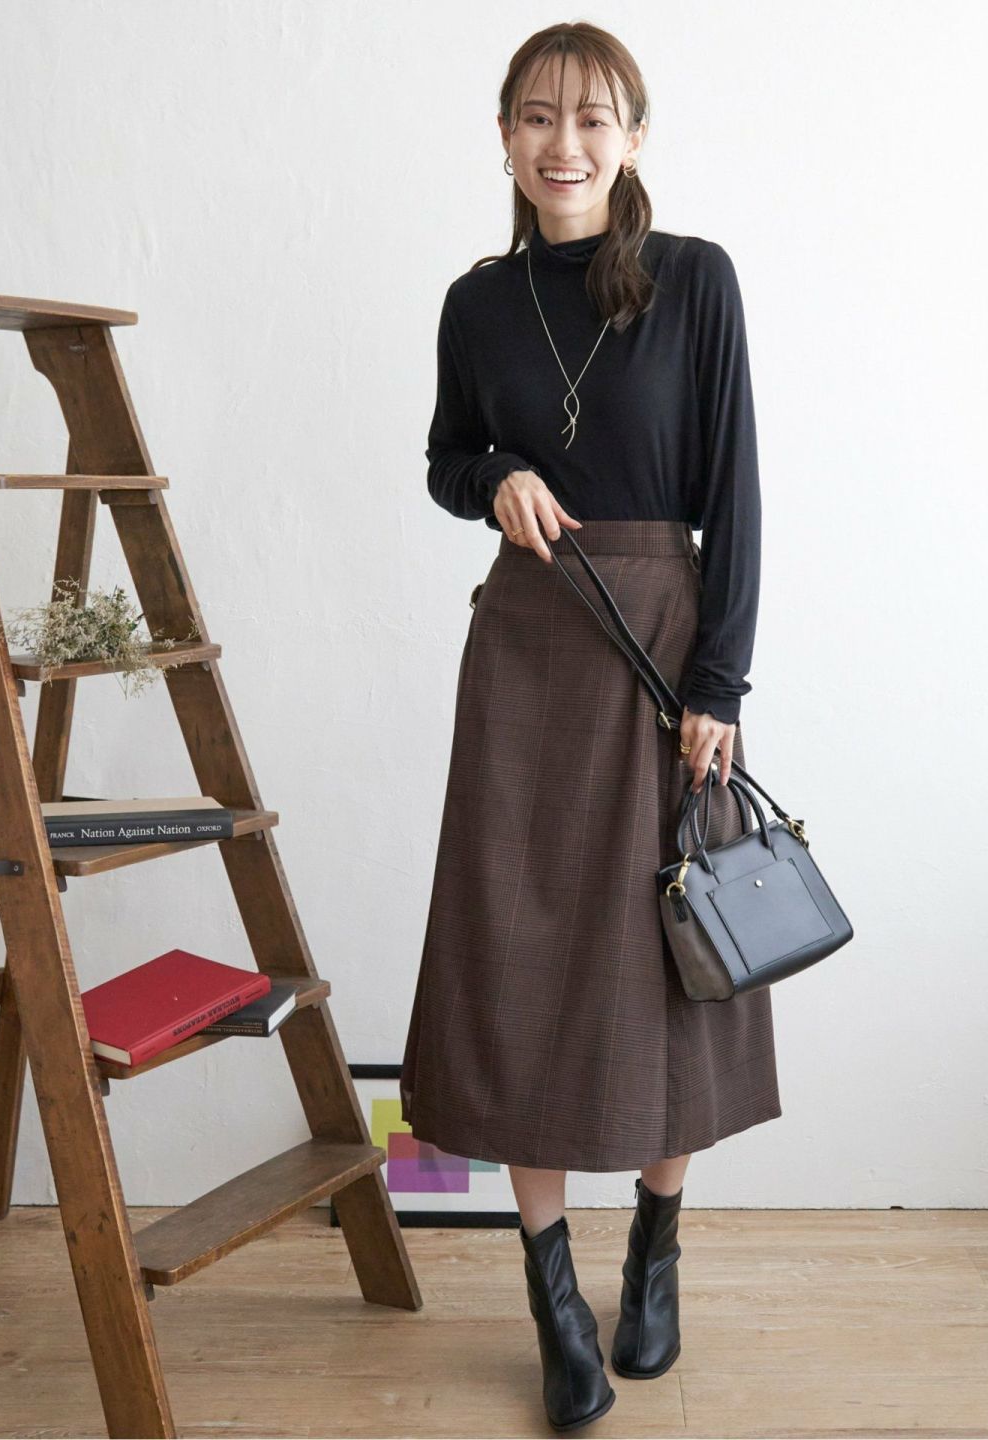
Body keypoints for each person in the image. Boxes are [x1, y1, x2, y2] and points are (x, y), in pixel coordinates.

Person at [399, 21, 782, 1432]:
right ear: (505, 134)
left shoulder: (694, 280)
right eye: (538, 116)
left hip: (663, 646)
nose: (564, 143)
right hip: (526, 650)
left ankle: (655, 1254)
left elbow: (736, 492)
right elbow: (445, 456)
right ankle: (553, 1297)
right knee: (517, 955)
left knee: (670, 946)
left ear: (632, 138)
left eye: (592, 117)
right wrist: (493, 473)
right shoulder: (476, 302)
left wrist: (721, 684)